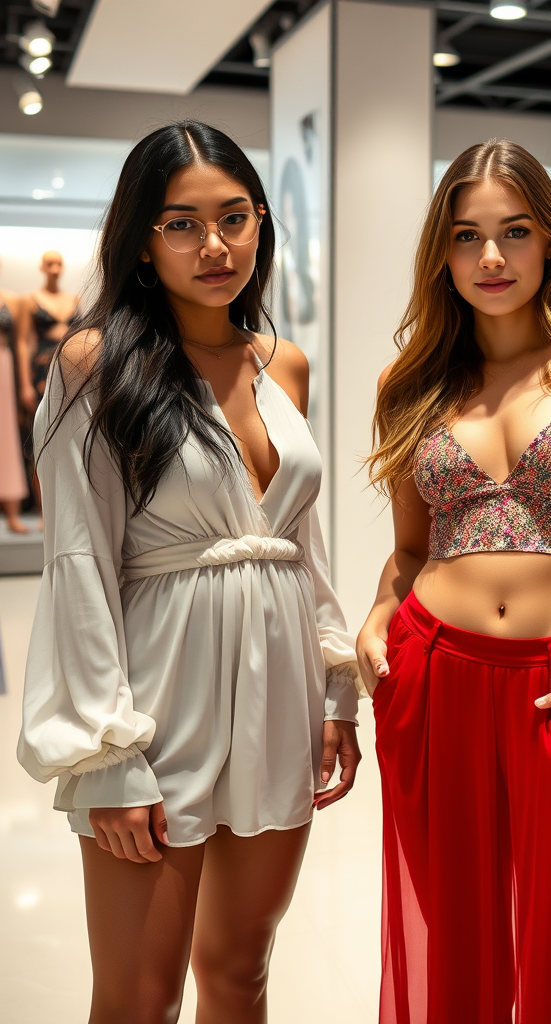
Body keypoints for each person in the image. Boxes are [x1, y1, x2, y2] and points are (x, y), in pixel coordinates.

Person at [17, 121, 362, 1024]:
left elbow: (301, 543)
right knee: (138, 998)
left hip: (279, 694)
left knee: (241, 974)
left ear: (261, 226)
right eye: (182, 224)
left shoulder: (283, 362)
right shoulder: (99, 363)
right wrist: (108, 755)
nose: (215, 246)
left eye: (235, 218)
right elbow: (79, 561)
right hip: (156, 707)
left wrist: (336, 692)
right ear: (141, 238)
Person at [359, 139, 551, 1024]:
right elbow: (413, 551)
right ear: (443, 253)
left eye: (513, 232)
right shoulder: (410, 382)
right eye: (466, 236)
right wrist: (380, 612)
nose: (491, 258)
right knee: (451, 937)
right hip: (435, 675)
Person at [17, 249, 79, 415]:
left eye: (58, 264)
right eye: (49, 264)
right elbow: (22, 342)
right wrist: (25, 385)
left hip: (71, 365)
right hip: (43, 365)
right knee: (43, 418)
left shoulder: (75, 299)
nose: (55, 269)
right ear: (42, 268)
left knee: (71, 417)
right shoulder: (30, 299)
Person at [0, 275, 28, 532]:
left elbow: (21, 341)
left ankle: (12, 513)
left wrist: (24, 385)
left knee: (6, 436)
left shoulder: (11, 300)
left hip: (3, 364)